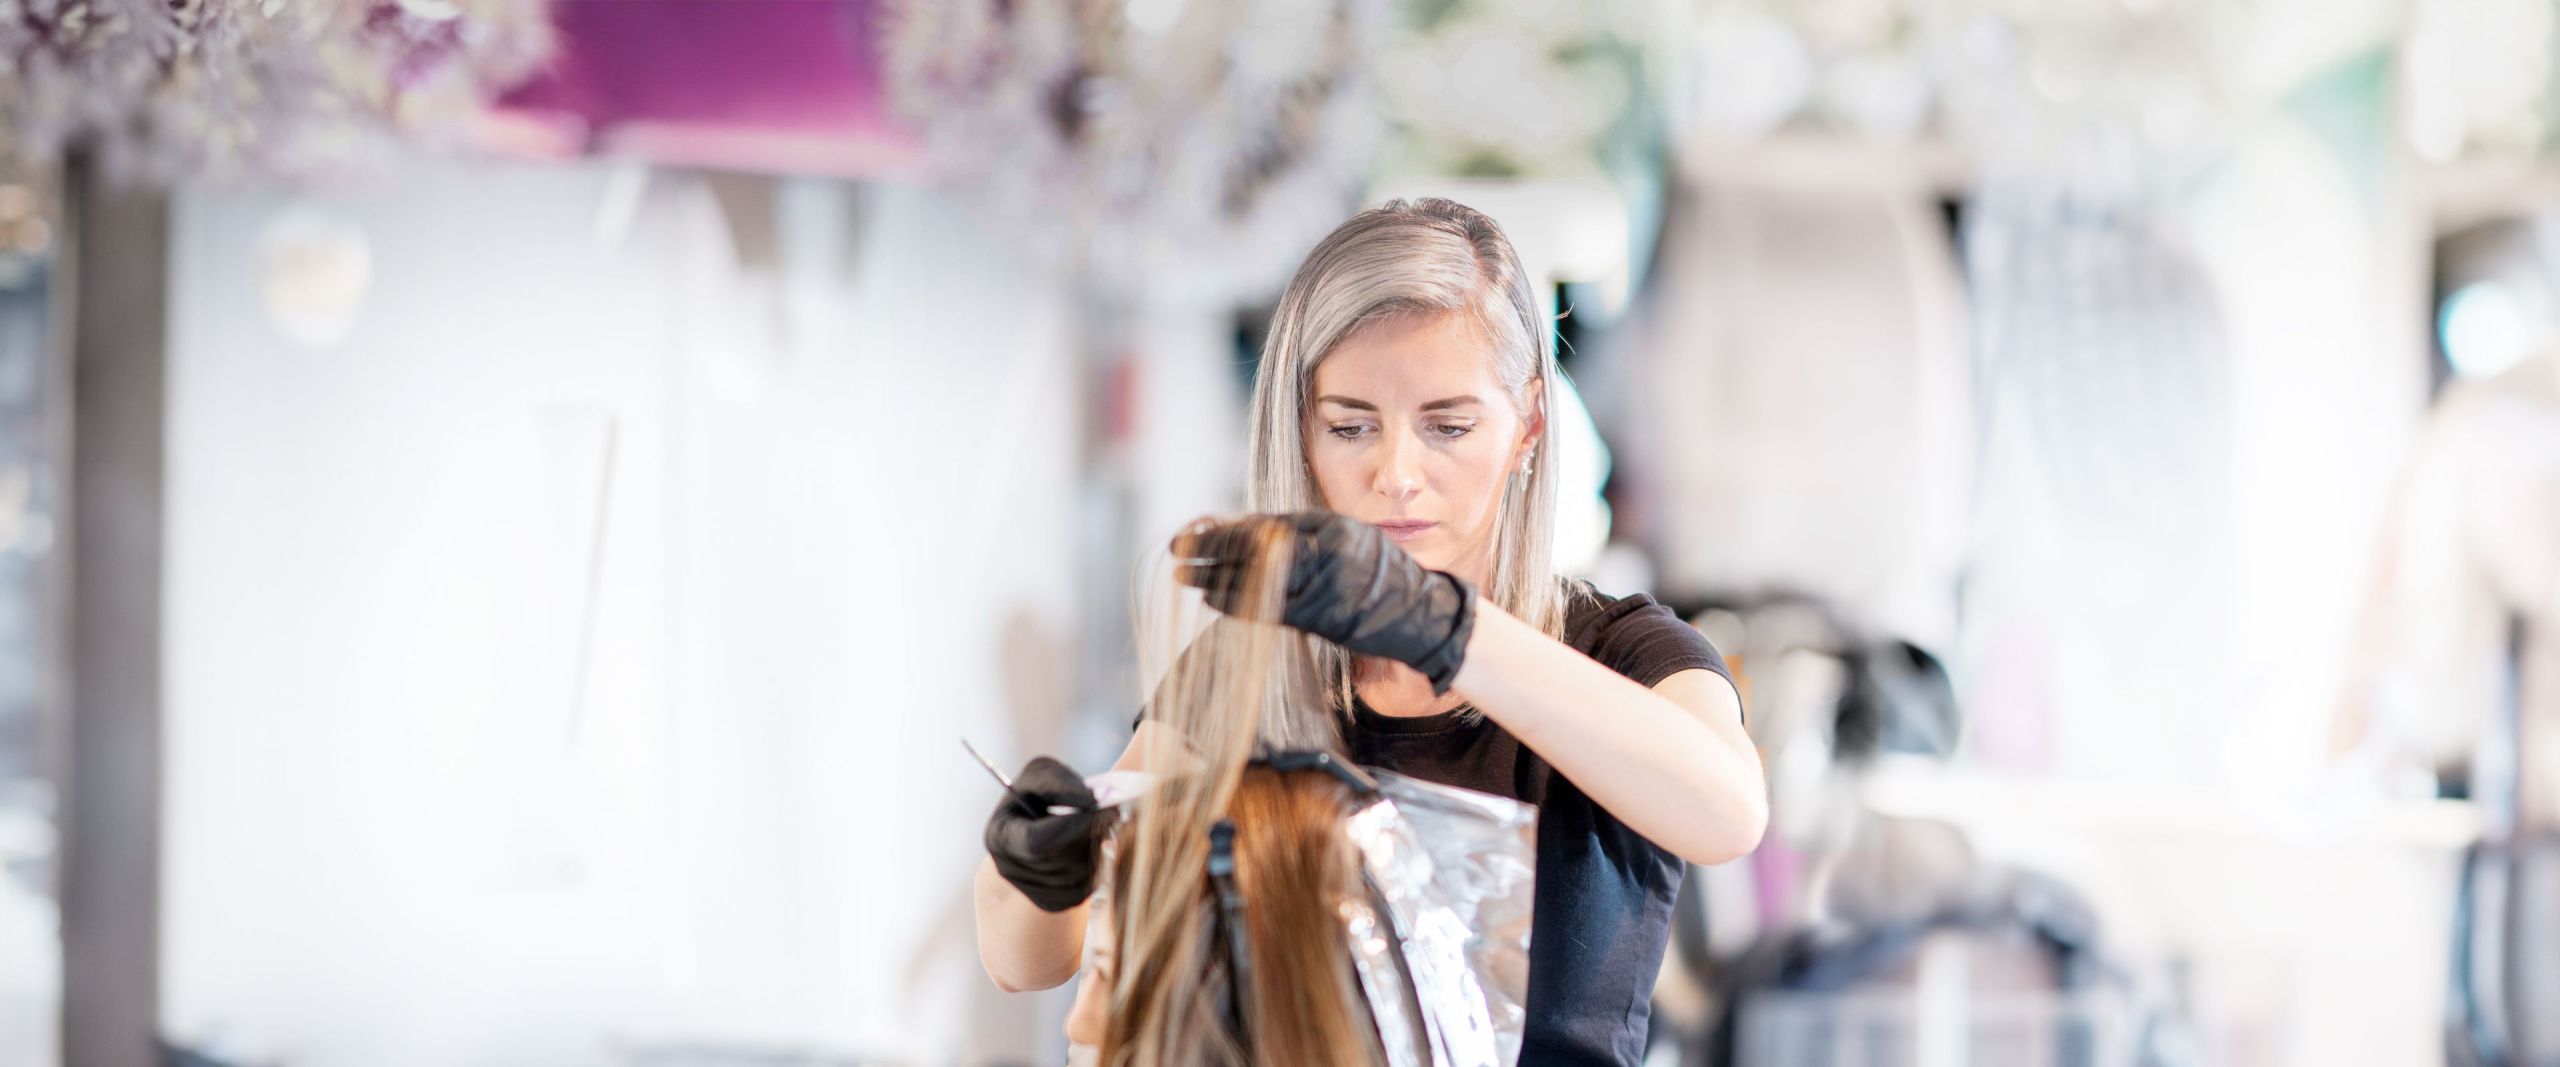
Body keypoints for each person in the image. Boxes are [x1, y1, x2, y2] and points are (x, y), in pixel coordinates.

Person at [976, 197, 1769, 1065]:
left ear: (1530, 424)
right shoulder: (1254, 668)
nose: (1396, 473)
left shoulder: (1621, 655)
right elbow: (1027, 959)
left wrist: (1444, 631)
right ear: (1301, 432)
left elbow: (1726, 812)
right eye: (1350, 426)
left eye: (1449, 426)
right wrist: (1034, 863)